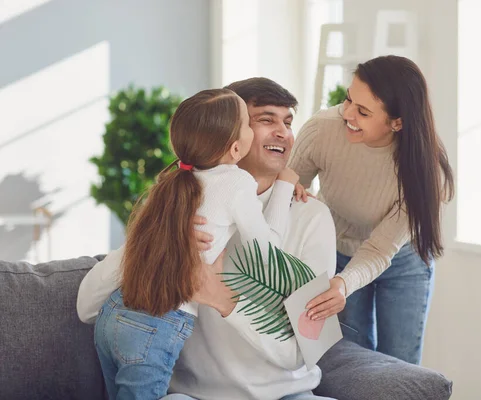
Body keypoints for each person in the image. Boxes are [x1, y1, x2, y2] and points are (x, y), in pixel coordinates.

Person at [78, 78, 339, 400]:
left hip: (287, 394)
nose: (284, 133)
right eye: (265, 120)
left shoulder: (312, 217)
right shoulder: (173, 204)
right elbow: (87, 304)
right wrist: (163, 240)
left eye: (287, 122)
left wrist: (225, 303)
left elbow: (304, 350)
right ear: (226, 138)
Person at [289, 55, 455, 365]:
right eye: (348, 99)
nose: (347, 114)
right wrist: (293, 192)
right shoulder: (322, 131)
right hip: (337, 250)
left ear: (398, 122)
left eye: (363, 112)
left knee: (400, 366)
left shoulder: (426, 171)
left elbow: (380, 248)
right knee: (353, 361)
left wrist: (343, 284)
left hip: (402, 261)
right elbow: (287, 187)